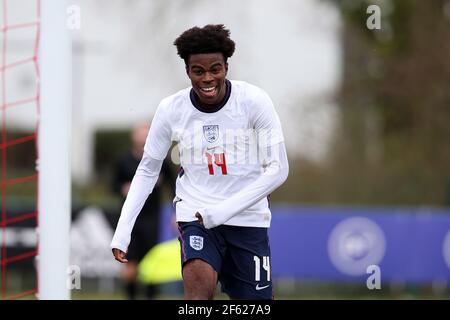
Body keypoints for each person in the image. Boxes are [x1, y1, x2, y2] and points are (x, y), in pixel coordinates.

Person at [111, 24, 289, 300]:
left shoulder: (254, 101)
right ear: (187, 72)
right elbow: (147, 170)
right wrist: (123, 231)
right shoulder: (171, 109)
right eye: (198, 71)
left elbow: (278, 170)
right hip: (196, 217)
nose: (208, 78)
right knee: (197, 298)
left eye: (215, 69)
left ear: (226, 67)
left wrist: (222, 212)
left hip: (249, 220)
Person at [112, 122, 175, 299]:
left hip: (152, 219)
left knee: (151, 264)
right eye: (140, 134)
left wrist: (175, 212)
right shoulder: (124, 160)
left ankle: (150, 296)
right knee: (130, 265)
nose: (143, 139)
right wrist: (124, 188)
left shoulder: (161, 161)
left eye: (147, 135)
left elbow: (174, 187)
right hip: (131, 219)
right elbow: (114, 185)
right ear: (133, 137)